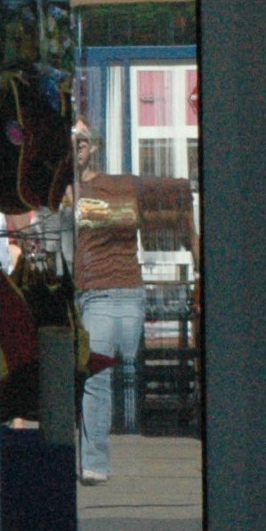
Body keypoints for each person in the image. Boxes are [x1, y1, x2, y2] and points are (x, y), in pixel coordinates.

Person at [67, 121, 195, 485]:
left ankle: (107, 455)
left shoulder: (123, 185)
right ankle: (96, 461)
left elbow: (178, 192)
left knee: (114, 372)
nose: (76, 145)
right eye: (70, 140)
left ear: (94, 147)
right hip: (96, 293)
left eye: (82, 140)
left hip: (126, 292)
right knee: (100, 377)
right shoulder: (65, 190)